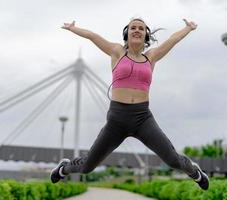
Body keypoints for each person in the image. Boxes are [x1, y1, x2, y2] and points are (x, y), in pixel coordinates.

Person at [50, 17, 209, 190]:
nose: (137, 30)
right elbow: (93, 36)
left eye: (141, 28)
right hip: (117, 119)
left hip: (143, 118)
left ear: (145, 36)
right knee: (87, 167)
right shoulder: (117, 52)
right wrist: (74, 29)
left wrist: (188, 28)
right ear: (127, 33)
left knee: (172, 160)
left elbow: (173, 40)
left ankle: (196, 173)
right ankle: (64, 168)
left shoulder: (151, 57)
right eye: (133, 27)